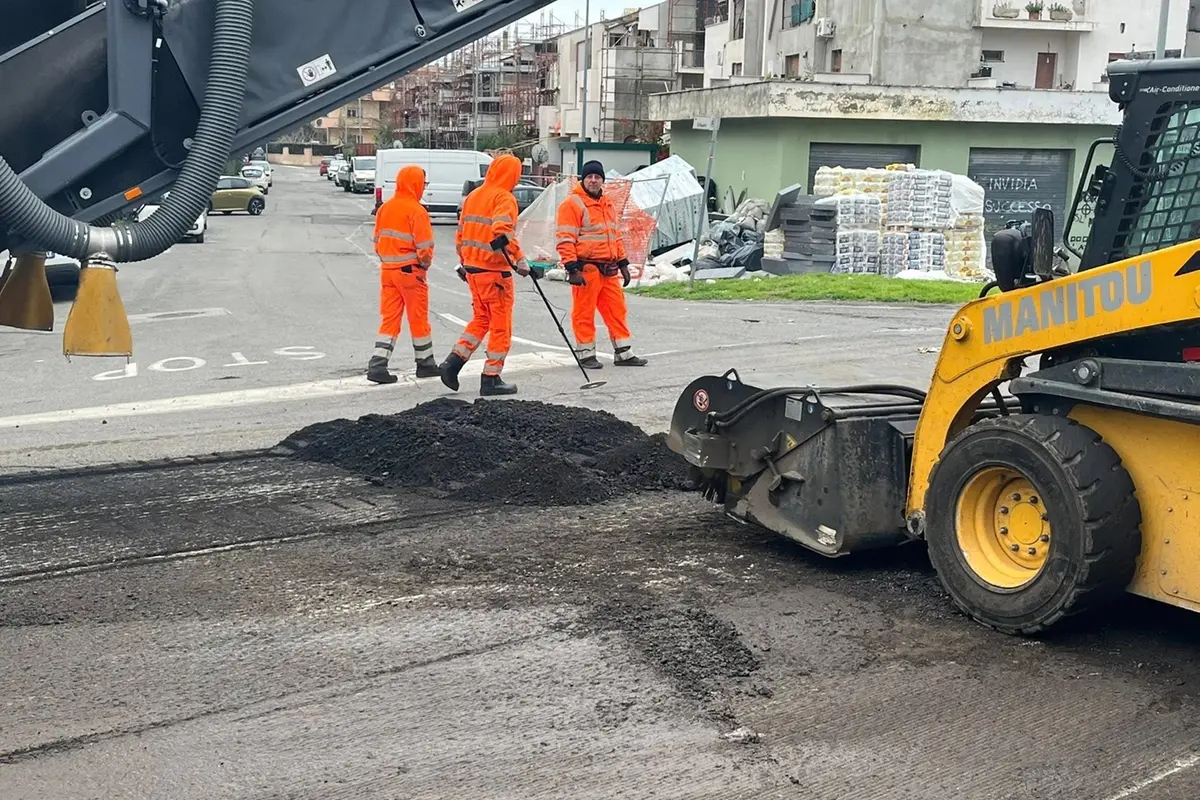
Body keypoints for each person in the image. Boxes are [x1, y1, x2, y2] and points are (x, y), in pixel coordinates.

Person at [438, 153, 531, 396]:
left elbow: (461, 233)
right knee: (500, 325)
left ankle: (453, 363)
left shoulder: (474, 196)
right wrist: (520, 259)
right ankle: (491, 377)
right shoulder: (504, 197)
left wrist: (464, 262)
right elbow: (502, 230)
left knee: (481, 319)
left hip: (473, 270)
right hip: (494, 273)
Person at [554, 159, 647, 368]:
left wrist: (623, 262)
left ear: (602, 180)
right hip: (586, 268)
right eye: (589, 177)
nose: (593, 180)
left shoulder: (607, 204)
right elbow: (565, 239)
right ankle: (586, 355)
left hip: (608, 268)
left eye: (597, 177)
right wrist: (571, 267)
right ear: (583, 179)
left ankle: (623, 353)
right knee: (584, 312)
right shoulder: (572, 204)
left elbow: (615, 236)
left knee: (617, 310)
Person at [367, 164, 438, 384]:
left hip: (388, 272)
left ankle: (377, 365)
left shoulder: (385, 208)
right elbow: (425, 246)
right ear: (416, 184)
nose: (424, 188)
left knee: (390, 319)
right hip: (410, 272)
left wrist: (388, 260)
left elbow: (377, 241)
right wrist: (424, 265)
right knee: (418, 319)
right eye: (423, 183)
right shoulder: (416, 210)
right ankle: (425, 363)